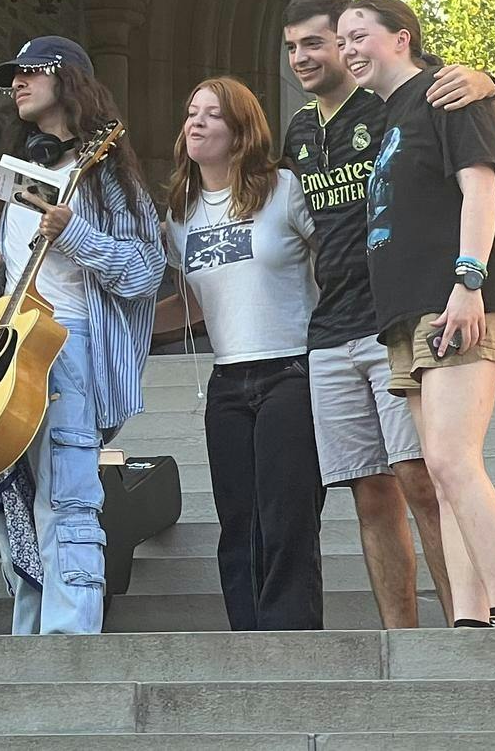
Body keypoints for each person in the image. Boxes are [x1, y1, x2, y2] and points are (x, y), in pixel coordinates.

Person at [282, 0, 495, 627]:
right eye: (345, 38)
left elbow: (483, 177)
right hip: (396, 314)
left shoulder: (443, 91)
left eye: (356, 36)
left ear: (401, 38)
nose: (347, 49)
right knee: (433, 473)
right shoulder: (380, 118)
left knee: (443, 461)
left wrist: (469, 281)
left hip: (455, 301)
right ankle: (467, 621)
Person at [0, 36, 165, 636]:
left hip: (70, 343)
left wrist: (74, 233)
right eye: (13, 75)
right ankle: (30, 626)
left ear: (70, 82)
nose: (17, 82)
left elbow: (146, 269)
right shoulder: (20, 173)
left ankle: (69, 638)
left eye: (31, 72)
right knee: (12, 497)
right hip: (12, 341)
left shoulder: (107, 176)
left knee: (67, 494)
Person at [162, 77, 324, 630]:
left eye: (212, 114)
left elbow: (338, 261)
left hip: (292, 370)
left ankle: (291, 639)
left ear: (240, 131)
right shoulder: (178, 215)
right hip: (227, 380)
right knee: (237, 519)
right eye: (191, 112)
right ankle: (247, 638)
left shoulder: (283, 189)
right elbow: (189, 305)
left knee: (286, 516)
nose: (196, 122)